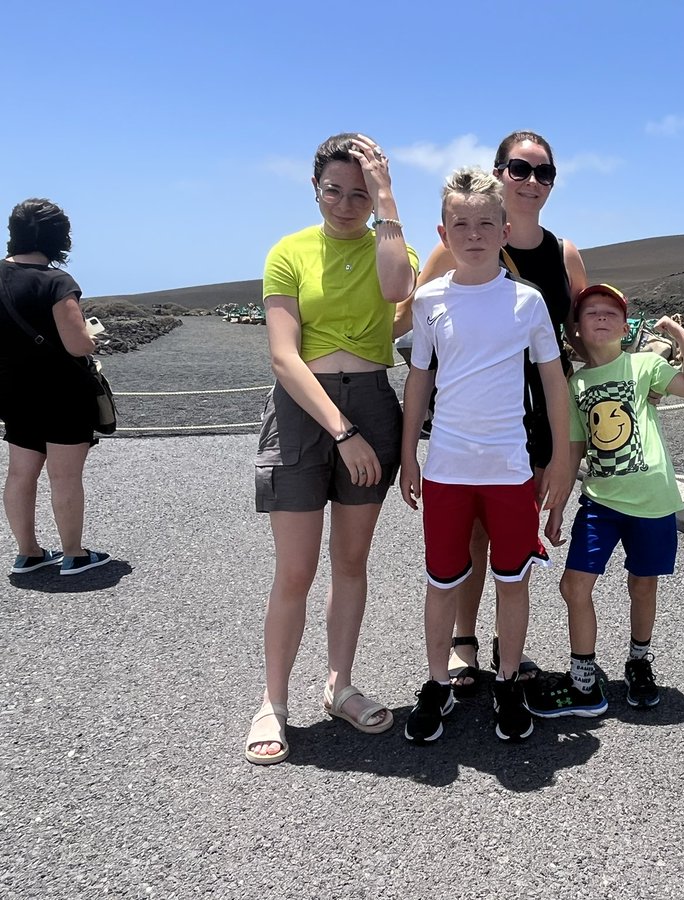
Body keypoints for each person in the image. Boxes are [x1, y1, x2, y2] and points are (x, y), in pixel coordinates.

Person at [243, 133, 418, 765]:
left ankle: (339, 685)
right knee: (295, 570)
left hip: (372, 397)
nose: (346, 204)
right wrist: (342, 433)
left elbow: (398, 289)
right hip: (304, 409)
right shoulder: (288, 252)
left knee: (351, 562)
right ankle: (274, 700)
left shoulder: (389, 243)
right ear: (314, 189)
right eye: (333, 190)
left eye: (359, 191)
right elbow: (283, 356)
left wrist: (388, 199)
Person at [393, 130, 587, 695]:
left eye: (543, 171)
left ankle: (509, 659)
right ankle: (462, 644)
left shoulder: (559, 257)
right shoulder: (446, 259)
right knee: (465, 543)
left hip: (525, 430)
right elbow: (414, 334)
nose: (531, 180)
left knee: (512, 550)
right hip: (461, 433)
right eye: (520, 169)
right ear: (500, 171)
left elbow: (574, 340)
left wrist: (627, 379)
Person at [529, 284, 684, 717]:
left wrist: (680, 337)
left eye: (611, 312)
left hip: (653, 502)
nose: (601, 317)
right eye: (590, 312)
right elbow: (573, 449)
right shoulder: (575, 384)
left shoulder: (645, 365)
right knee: (573, 586)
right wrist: (557, 508)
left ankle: (638, 661)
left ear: (626, 326)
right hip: (601, 504)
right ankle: (583, 679)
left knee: (643, 585)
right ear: (576, 328)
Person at [1, 199, 111, 577]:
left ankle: (28, 553)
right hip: (63, 393)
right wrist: (92, 337)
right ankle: (73, 555)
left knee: (20, 474)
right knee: (64, 477)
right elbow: (77, 345)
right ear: (57, 237)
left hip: (15, 391)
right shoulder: (56, 282)